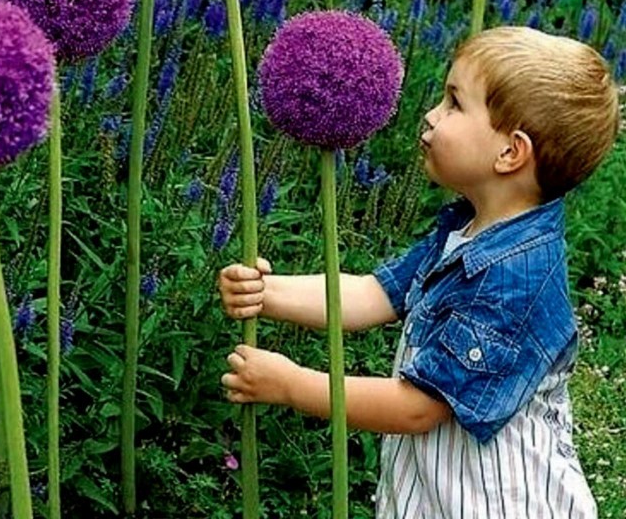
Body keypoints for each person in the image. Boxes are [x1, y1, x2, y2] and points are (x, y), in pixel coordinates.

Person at [218, 26, 621, 517]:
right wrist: (266, 292)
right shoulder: (469, 230)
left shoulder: (513, 280)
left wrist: (291, 384)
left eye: (454, 103)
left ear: (510, 153)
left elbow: (416, 407)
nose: (431, 114)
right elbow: (373, 293)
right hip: (438, 496)